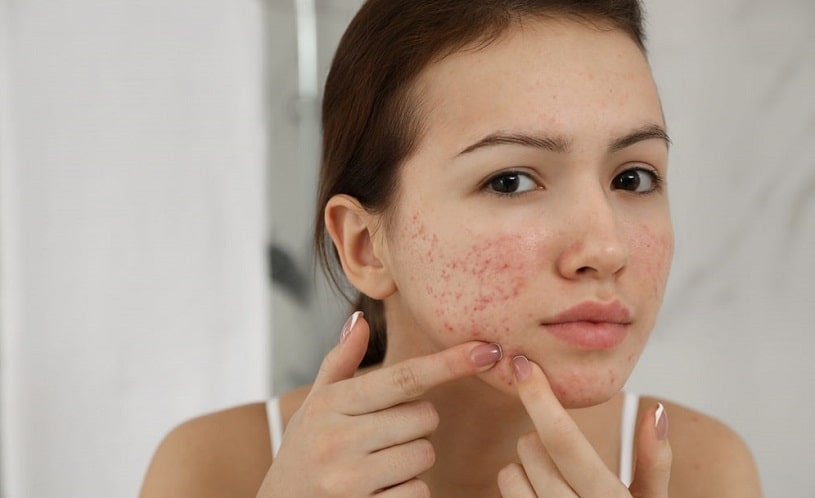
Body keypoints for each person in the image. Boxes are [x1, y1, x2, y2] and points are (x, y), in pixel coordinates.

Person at [139, 0, 763, 496]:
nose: (605, 248)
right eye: (510, 181)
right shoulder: (216, 471)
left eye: (633, 177)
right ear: (366, 245)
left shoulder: (704, 473)